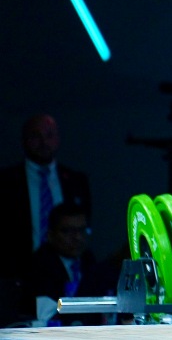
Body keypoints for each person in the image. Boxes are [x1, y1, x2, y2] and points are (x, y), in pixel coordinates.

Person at [0, 115, 92, 299]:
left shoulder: (75, 181)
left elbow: (84, 223)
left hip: (66, 274)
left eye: (49, 135)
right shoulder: (6, 183)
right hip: (16, 274)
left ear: (57, 138)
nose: (43, 142)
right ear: (25, 140)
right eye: (36, 136)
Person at [27, 203, 114, 326]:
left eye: (82, 230)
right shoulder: (39, 265)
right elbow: (50, 312)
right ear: (50, 235)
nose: (77, 237)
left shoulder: (89, 260)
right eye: (68, 231)